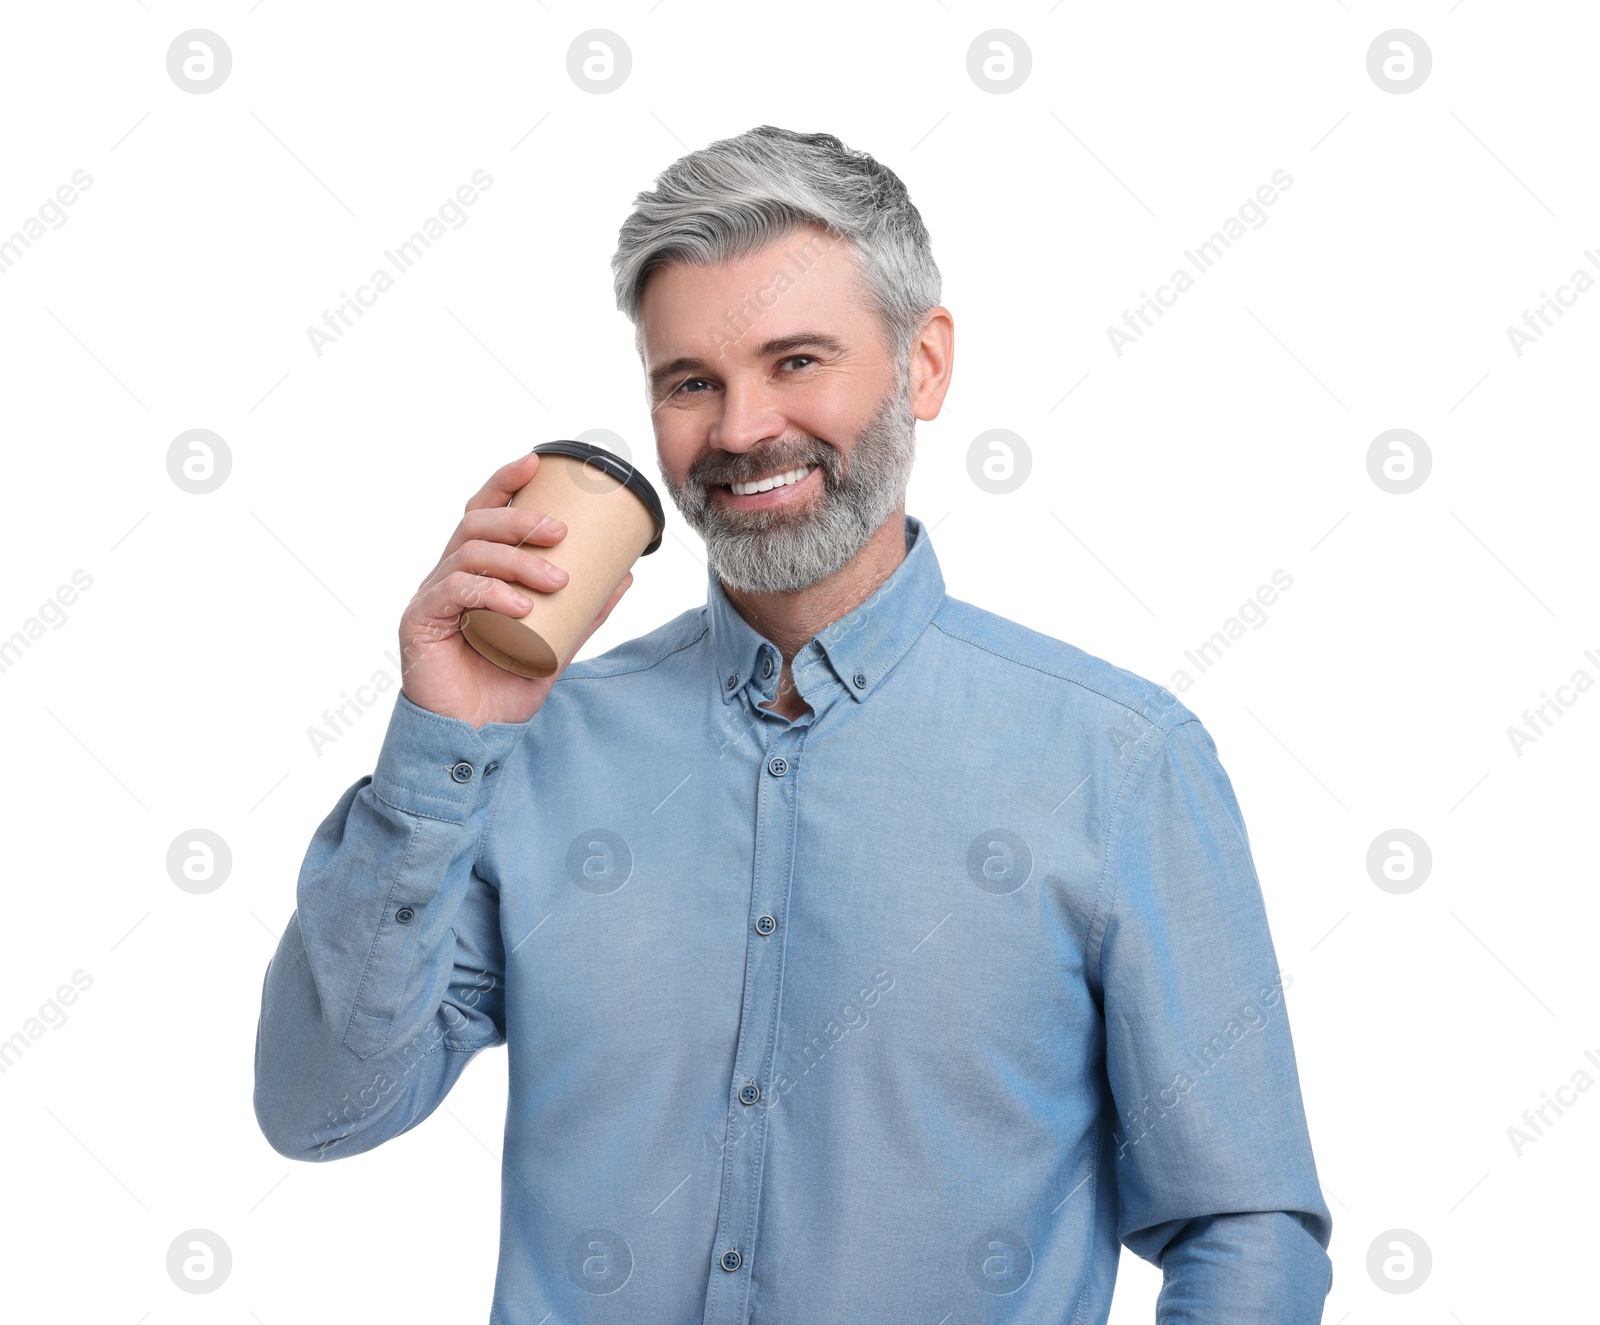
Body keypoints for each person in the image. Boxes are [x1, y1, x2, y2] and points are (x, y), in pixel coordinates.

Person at [254, 125, 1333, 1324]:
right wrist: (440, 734)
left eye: (797, 359)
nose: (740, 429)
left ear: (922, 365)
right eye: (689, 381)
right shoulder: (534, 749)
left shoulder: (1118, 761)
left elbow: (1243, 1230)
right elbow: (318, 1108)